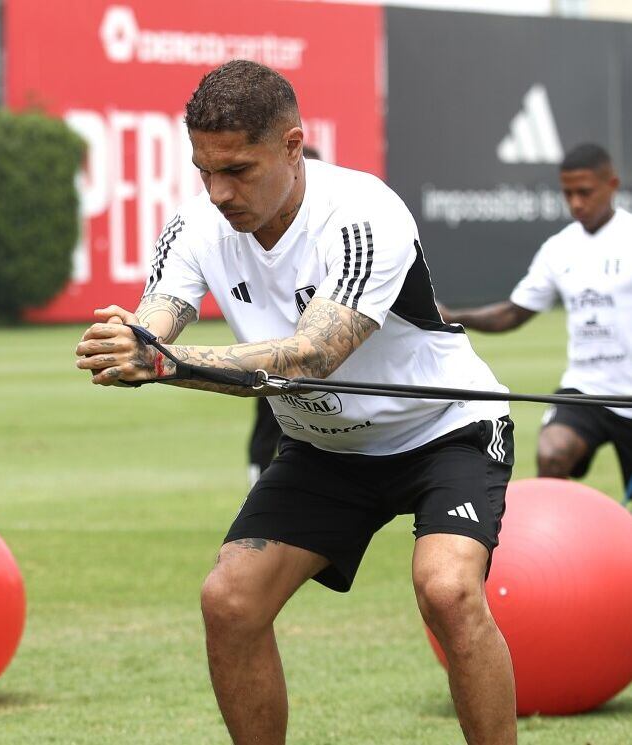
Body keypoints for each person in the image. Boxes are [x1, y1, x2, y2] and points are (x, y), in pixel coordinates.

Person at [75, 60, 517, 744]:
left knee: (448, 591)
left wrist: (161, 362)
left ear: (292, 146)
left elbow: (314, 355)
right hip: (327, 450)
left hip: (444, 429)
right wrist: (127, 342)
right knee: (230, 599)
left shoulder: (365, 214)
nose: (218, 192)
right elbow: (155, 325)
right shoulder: (194, 226)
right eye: (204, 171)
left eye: (238, 170)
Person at [440, 143, 632, 492]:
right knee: (552, 453)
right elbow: (514, 312)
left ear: (613, 184)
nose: (576, 203)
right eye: (568, 193)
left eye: (585, 192)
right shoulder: (559, 247)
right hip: (586, 390)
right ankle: (560, 545)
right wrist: (453, 316)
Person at [244, 145, 322, 486]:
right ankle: (258, 483)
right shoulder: (263, 239)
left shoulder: (332, 234)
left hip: (316, 352)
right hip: (274, 350)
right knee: (268, 419)